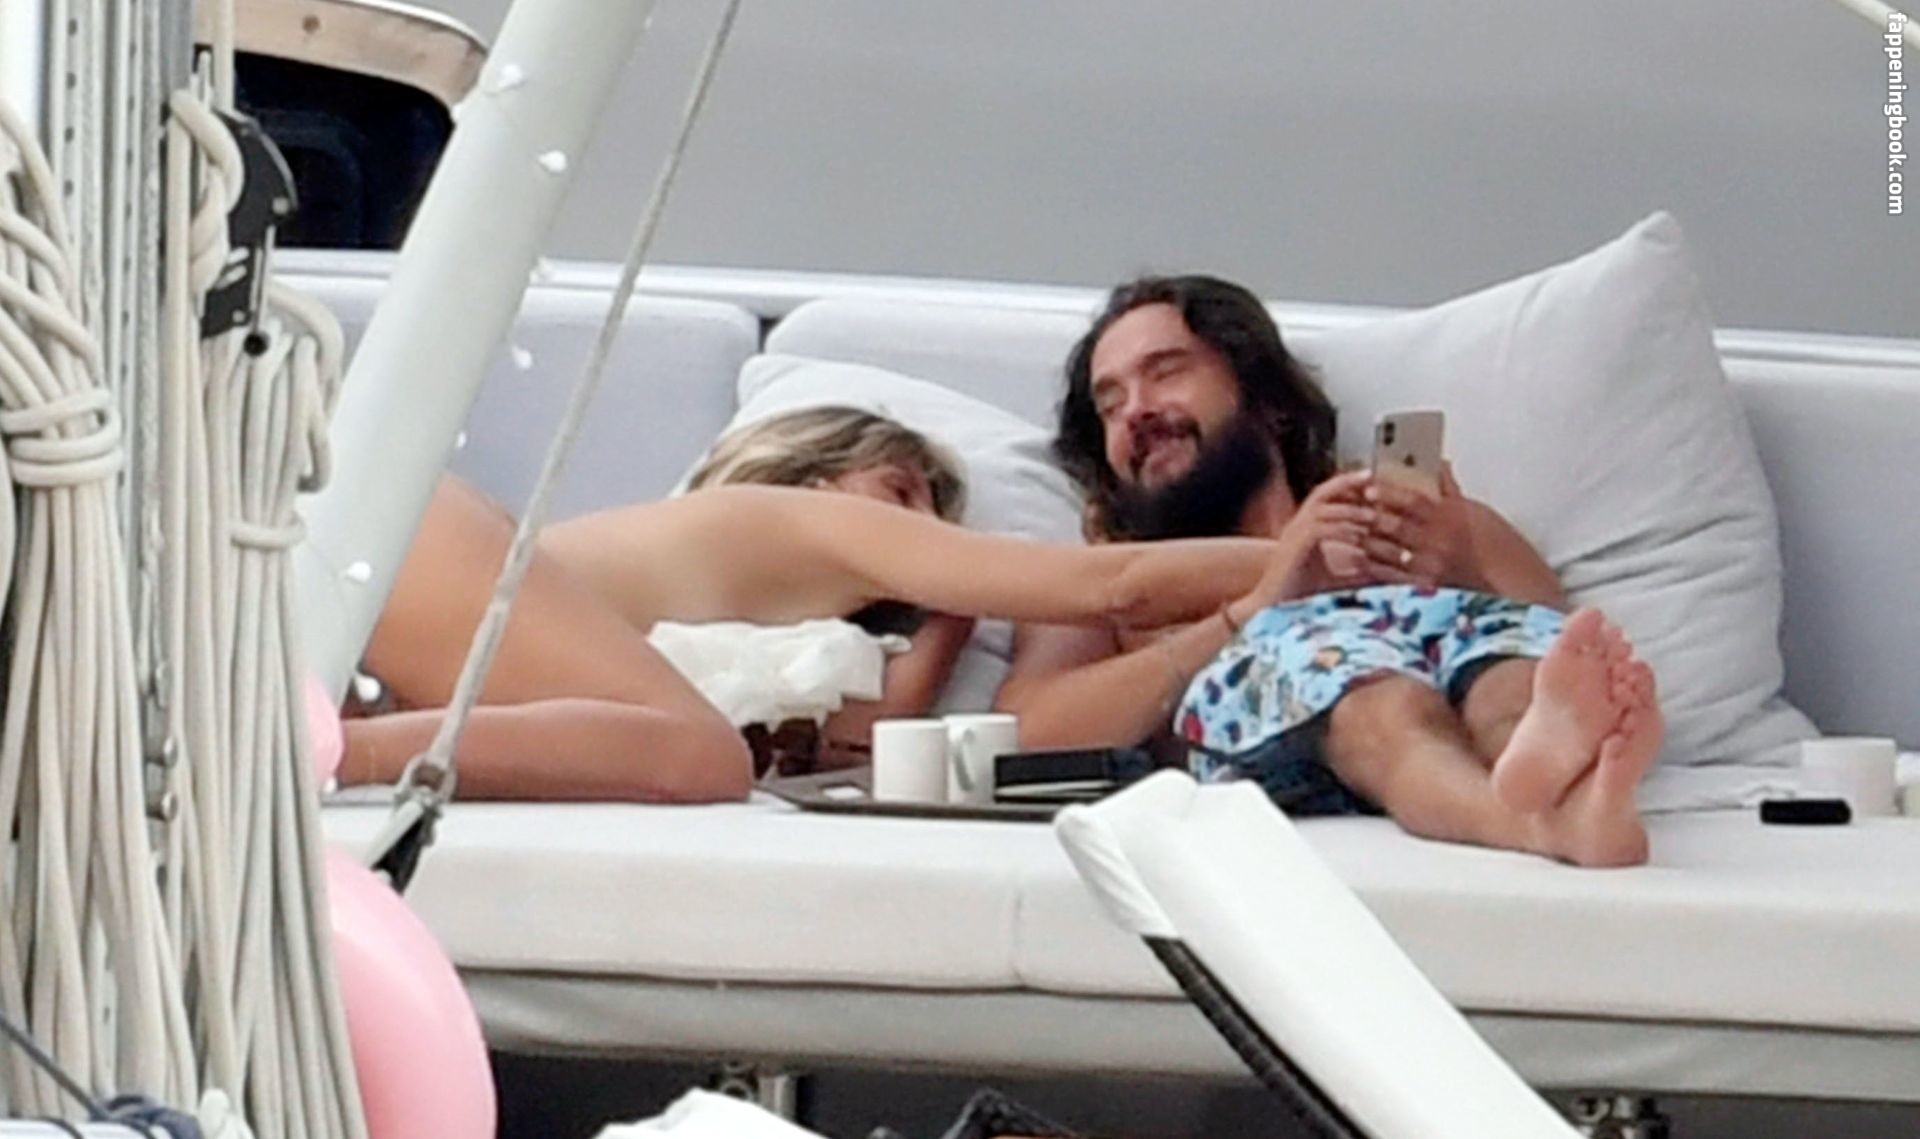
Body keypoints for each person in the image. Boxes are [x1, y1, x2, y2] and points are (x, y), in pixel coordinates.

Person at [994, 276, 1662, 867]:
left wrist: (1459, 569)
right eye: (1110, 405)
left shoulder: (1428, 519)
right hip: (1326, 709)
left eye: (1165, 372)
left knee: (1509, 676)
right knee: (1378, 697)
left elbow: (1569, 646)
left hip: (1461, 677)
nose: (1136, 411)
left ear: (1268, 402)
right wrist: (1251, 609)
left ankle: (1570, 795)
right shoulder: (1105, 577)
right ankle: (1536, 827)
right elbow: (1028, 730)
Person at [341, 406, 1282, 803]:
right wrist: (1297, 558)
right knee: (704, 755)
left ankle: (324, 746)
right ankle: (320, 754)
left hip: (401, 572)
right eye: (903, 491)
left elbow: (870, 736)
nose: (923, 533)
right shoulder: (810, 519)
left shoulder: (756, 617)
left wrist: (947, 607)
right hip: (414, 545)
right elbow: (1111, 585)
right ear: (823, 470)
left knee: (711, 751)